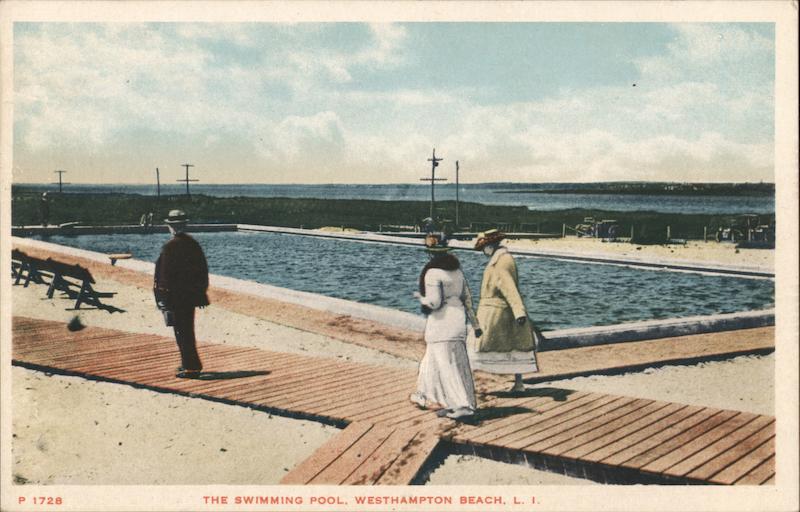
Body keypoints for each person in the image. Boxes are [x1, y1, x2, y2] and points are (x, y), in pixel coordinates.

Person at [410, 233, 482, 420]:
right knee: (449, 362)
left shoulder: (432, 273)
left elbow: (434, 303)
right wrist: (475, 325)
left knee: (445, 364)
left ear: (431, 253)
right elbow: (467, 299)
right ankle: (427, 396)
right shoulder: (457, 272)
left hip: (441, 323)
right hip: (458, 321)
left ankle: (461, 405)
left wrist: (420, 298)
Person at [467, 229, 540, 392]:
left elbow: (509, 287)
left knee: (477, 346)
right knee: (515, 348)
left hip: (495, 312)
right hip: (498, 310)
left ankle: (471, 384)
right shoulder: (502, 259)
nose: (483, 251)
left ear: (490, 245)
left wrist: (519, 311)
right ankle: (518, 383)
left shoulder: (500, 262)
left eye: (484, 248)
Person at [153, 209, 210, 378]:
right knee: (187, 330)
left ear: (170, 227)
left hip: (175, 297)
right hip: (189, 296)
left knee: (181, 332)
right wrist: (200, 294)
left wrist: (162, 299)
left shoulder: (170, 246)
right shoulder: (193, 244)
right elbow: (202, 272)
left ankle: (191, 367)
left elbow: (164, 276)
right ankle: (189, 364)